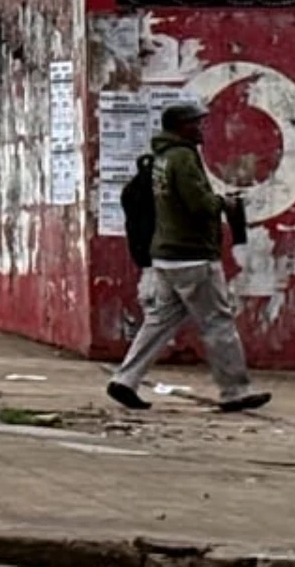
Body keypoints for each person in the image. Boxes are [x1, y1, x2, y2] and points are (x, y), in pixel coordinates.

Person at [105, 99, 270, 415]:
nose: (201, 128)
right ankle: (235, 390)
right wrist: (224, 204)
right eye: (195, 123)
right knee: (217, 322)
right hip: (192, 255)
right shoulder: (183, 157)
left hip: (166, 254)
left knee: (159, 321)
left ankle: (125, 380)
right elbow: (199, 205)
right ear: (181, 126)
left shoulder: (162, 157)